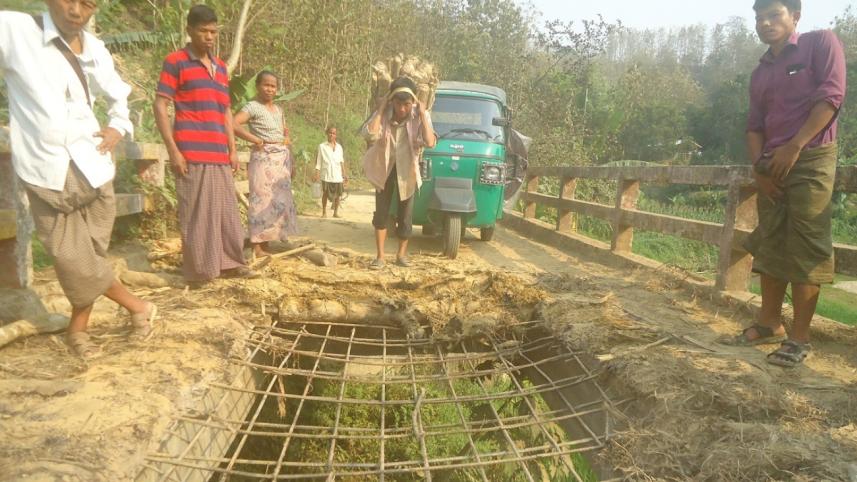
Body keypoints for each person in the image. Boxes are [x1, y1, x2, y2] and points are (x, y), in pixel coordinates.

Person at [0, 0, 157, 359]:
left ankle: (78, 328)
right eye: (69, 0)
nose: (76, 11)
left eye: (86, 4)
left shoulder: (95, 48)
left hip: (94, 165)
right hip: (46, 171)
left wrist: (118, 126)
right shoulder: (15, 31)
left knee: (90, 254)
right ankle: (138, 306)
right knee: (71, 257)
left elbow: (119, 94)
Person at [723, 0, 846, 367]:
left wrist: (795, 146)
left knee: (806, 243)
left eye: (774, 14)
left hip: (811, 155)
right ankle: (768, 323)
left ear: (795, 16)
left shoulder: (821, 43)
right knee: (772, 240)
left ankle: (800, 338)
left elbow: (831, 97)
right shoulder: (761, 71)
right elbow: (754, 125)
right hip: (771, 162)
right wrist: (760, 169)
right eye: (758, 17)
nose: (765, 23)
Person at [154, 4, 257, 286]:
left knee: (225, 212)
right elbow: (160, 105)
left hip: (218, 153)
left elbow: (225, 111)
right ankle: (201, 272)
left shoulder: (221, 67)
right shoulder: (176, 61)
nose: (209, 37)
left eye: (213, 31)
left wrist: (233, 149)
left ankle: (231, 263)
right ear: (190, 31)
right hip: (190, 151)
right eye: (203, 31)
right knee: (197, 214)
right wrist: (173, 150)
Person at [362, 76, 437, 269]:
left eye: (406, 104)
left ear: (413, 102)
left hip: (407, 170)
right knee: (381, 214)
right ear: (391, 101)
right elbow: (370, 134)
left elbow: (429, 142)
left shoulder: (419, 115)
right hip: (384, 168)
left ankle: (401, 255)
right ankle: (380, 256)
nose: (402, 109)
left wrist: (422, 114)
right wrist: (380, 109)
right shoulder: (384, 113)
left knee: (406, 215)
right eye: (397, 103)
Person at [233, 71, 298, 258]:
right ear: (258, 86)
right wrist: (255, 139)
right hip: (263, 158)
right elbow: (233, 124)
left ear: (277, 89)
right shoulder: (252, 107)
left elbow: (286, 135)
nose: (270, 89)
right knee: (260, 200)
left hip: (281, 159)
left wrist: (291, 161)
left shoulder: (279, 110)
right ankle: (256, 246)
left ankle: (267, 243)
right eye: (266, 85)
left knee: (275, 201)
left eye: (273, 86)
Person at [315, 126, 348, 218]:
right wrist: (317, 173)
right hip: (326, 174)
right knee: (325, 194)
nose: (331, 135)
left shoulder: (339, 147)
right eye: (330, 132)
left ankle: (335, 213)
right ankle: (324, 212)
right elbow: (318, 161)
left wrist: (344, 174)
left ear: (336, 135)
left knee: (338, 195)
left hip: (337, 175)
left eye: (333, 133)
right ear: (327, 133)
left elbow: (341, 161)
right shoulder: (322, 146)